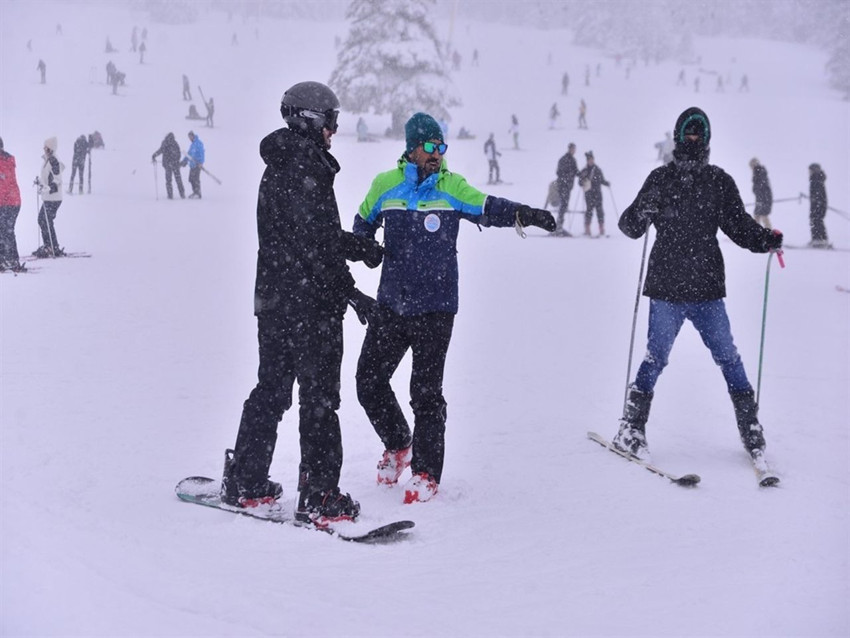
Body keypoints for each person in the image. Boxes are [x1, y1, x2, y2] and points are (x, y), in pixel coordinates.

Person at [352, 112, 556, 504]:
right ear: (412, 148)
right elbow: (363, 222)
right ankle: (398, 444)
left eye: (441, 147)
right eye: (430, 146)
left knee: (426, 393)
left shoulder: (451, 186)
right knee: (369, 381)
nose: (437, 154)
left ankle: (426, 472)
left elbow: (488, 207)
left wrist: (524, 213)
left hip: (436, 306)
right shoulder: (385, 185)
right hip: (392, 304)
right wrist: (367, 247)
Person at [220, 81, 382, 527]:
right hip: (310, 306)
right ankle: (319, 495)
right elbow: (317, 247)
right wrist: (351, 291)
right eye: (331, 120)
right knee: (319, 399)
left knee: (272, 389)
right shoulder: (305, 166)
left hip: (275, 300)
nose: (334, 130)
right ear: (310, 119)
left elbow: (311, 236)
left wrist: (356, 248)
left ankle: (247, 480)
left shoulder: (283, 162)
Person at [614, 106, 783, 467]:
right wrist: (643, 208)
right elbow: (629, 227)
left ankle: (750, 426)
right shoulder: (660, 179)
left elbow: (739, 226)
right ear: (678, 136)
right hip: (666, 288)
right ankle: (631, 427)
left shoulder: (719, 181)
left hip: (707, 288)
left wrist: (765, 239)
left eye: (698, 133)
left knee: (729, 358)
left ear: (706, 139)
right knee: (655, 357)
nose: (693, 139)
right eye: (688, 133)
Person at [33, 137, 65, 257]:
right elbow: (47, 178)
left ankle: (51, 246)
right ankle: (50, 246)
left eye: (46, 147)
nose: (44, 149)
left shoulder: (53, 160)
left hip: (54, 198)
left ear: (50, 148)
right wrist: (40, 182)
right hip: (49, 197)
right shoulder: (47, 160)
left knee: (44, 220)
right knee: (44, 220)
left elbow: (58, 179)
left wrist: (49, 188)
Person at [0, 137, 24, 271]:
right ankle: (11, 259)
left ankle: (7, 259)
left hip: (6, 203)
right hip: (14, 202)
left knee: (4, 230)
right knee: (7, 230)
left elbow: (5, 184)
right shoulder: (8, 160)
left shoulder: (3, 161)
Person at [578, 151, 609, 236]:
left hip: (597, 193)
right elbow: (580, 183)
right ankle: (587, 229)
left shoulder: (597, 170)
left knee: (599, 211)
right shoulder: (584, 171)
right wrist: (582, 180)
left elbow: (602, 180)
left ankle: (601, 229)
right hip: (589, 194)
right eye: (589, 159)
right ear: (587, 160)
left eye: (592, 159)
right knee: (589, 211)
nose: (591, 161)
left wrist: (606, 183)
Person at [151, 132, 185, 199]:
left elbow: (160, 150)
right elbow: (179, 154)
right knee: (178, 179)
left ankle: (170, 195)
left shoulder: (165, 142)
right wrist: (176, 160)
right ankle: (182, 194)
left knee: (168, 181)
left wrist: (154, 155)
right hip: (175, 164)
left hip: (168, 165)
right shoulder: (175, 143)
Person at [554, 142, 578, 234]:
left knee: (564, 205)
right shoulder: (564, 159)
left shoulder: (573, 160)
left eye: (574, 149)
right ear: (569, 149)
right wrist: (567, 177)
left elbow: (576, 171)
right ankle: (558, 226)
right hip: (563, 186)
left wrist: (583, 176)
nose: (573, 150)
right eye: (572, 149)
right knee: (563, 205)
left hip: (568, 187)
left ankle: (559, 225)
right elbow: (559, 172)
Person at [808, 163, 830, 248]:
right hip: (818, 204)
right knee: (817, 220)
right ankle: (821, 239)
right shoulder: (817, 178)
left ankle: (818, 240)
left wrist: (816, 199)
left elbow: (818, 192)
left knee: (816, 220)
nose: (809, 172)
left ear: (814, 170)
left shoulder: (816, 178)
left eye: (810, 170)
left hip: (818, 204)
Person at [749, 158, 772, 229]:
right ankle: (756, 231)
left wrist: (756, 191)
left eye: (751, 166)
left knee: (763, 215)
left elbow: (761, 186)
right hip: (762, 198)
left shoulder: (758, 172)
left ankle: (768, 231)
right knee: (758, 215)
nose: (751, 168)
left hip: (763, 198)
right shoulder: (759, 172)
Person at [182, 131, 204, 198]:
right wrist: (184, 161)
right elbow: (188, 154)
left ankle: (198, 193)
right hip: (192, 165)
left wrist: (201, 163)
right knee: (191, 179)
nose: (189, 138)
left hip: (197, 164)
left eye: (190, 136)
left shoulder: (198, 143)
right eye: (189, 137)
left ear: (193, 136)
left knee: (196, 179)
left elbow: (202, 153)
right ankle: (195, 192)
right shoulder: (192, 145)